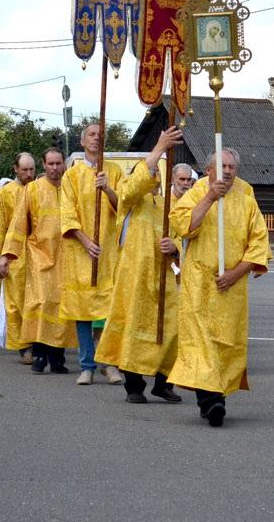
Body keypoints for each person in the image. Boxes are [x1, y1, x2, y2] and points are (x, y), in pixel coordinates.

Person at [168, 148, 272, 427]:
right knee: (203, 345)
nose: (226, 171)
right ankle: (212, 401)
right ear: (209, 168)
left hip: (231, 286)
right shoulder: (197, 191)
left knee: (225, 344)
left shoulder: (246, 197)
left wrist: (237, 272)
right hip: (200, 284)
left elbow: (259, 242)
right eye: (221, 166)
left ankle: (214, 397)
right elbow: (182, 224)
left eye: (231, 167)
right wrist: (210, 197)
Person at [96, 128, 185, 404]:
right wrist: (158, 147)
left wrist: (176, 248)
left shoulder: (168, 205)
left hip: (164, 279)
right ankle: (134, 386)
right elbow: (132, 186)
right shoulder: (129, 200)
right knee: (133, 330)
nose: (153, 176)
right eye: (148, 172)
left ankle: (163, 382)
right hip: (135, 277)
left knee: (171, 328)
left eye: (157, 173)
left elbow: (182, 235)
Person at [60, 123, 125, 386]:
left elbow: (125, 207)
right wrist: (85, 241)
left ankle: (108, 363)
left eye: (101, 135)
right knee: (84, 311)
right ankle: (86, 364)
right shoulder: (71, 176)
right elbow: (67, 213)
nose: (97, 139)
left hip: (109, 252)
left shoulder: (115, 171)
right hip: (81, 252)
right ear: (83, 140)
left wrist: (108, 189)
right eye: (92, 135)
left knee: (108, 310)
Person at [2, 148, 77, 373]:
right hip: (39, 256)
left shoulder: (70, 188)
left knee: (62, 307)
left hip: (67, 257)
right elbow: (18, 223)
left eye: (58, 163)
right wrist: (7, 254)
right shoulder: (32, 189)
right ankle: (39, 355)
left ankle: (57, 358)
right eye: (50, 164)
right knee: (41, 303)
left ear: (64, 164)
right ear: (44, 165)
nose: (55, 168)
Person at [0, 153, 37, 363]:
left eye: (31, 169)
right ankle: (24, 346)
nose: (28, 174)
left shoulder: (40, 189)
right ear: (15, 169)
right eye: (24, 169)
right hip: (14, 254)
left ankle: (39, 343)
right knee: (17, 302)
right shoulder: (5, 193)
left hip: (39, 253)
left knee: (37, 301)